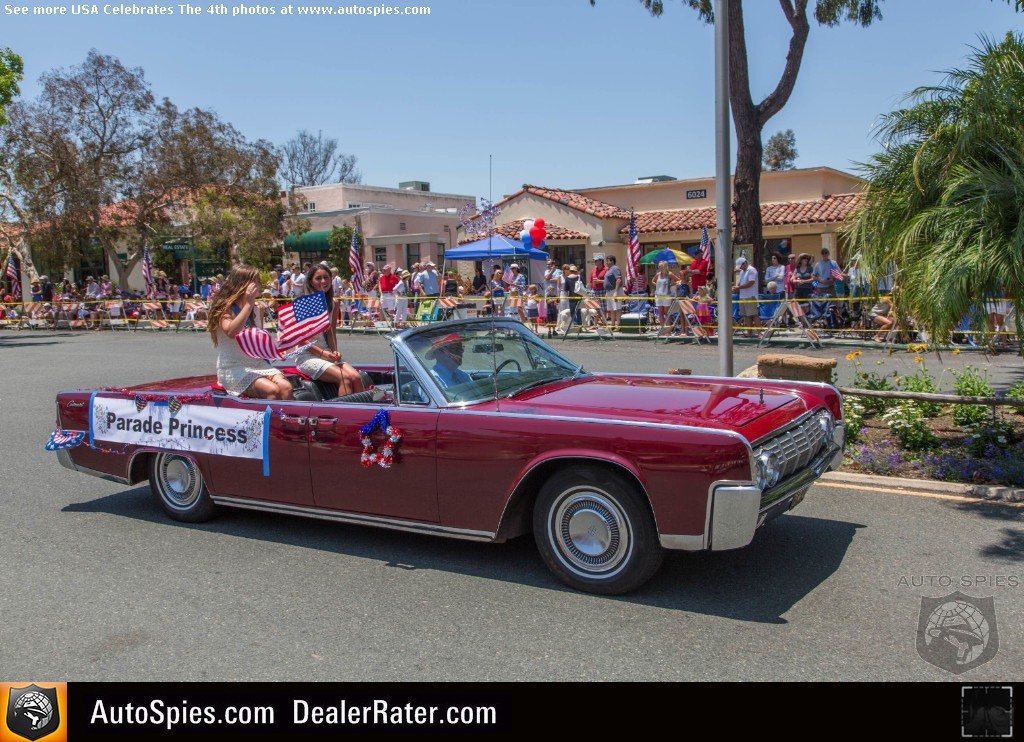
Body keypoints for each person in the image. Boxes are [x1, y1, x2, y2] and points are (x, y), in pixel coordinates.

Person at [207, 265, 293, 400]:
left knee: (286, 387)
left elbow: (257, 342)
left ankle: (283, 414)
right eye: (256, 282)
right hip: (233, 367)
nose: (260, 285)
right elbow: (231, 331)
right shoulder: (225, 308)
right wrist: (248, 304)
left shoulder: (258, 308)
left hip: (257, 363)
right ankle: (269, 414)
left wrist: (275, 350)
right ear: (243, 284)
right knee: (272, 390)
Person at [293, 264, 365, 397]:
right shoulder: (302, 303)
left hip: (327, 352)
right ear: (311, 282)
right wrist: (322, 354)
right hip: (307, 355)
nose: (323, 281)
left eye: (326, 277)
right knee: (344, 378)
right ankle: (343, 410)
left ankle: (361, 409)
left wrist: (334, 351)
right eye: (318, 278)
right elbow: (300, 340)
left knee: (356, 377)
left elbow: (331, 333)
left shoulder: (334, 303)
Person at [734, 256, 760, 338]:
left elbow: (751, 283)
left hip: (750, 295)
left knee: (754, 314)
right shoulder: (742, 272)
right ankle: (749, 333)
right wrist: (736, 287)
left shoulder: (752, 270)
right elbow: (741, 282)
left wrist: (739, 287)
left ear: (744, 263)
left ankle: (760, 333)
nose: (740, 268)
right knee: (746, 315)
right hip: (743, 296)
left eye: (741, 266)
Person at [653, 261, 679, 331]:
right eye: (658, 266)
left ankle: (667, 330)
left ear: (664, 266)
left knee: (666, 313)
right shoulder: (658, 274)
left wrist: (671, 285)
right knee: (660, 313)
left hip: (666, 295)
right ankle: (662, 329)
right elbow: (653, 281)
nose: (659, 268)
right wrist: (657, 285)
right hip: (658, 295)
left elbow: (678, 280)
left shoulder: (669, 274)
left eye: (660, 266)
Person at [603, 254, 623, 329]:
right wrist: (606, 292)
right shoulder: (609, 269)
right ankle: (613, 324)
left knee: (617, 308)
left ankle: (618, 324)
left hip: (615, 290)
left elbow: (618, 280)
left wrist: (616, 291)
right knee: (611, 309)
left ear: (612, 261)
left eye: (608, 261)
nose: (606, 262)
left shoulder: (615, 268)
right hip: (609, 291)